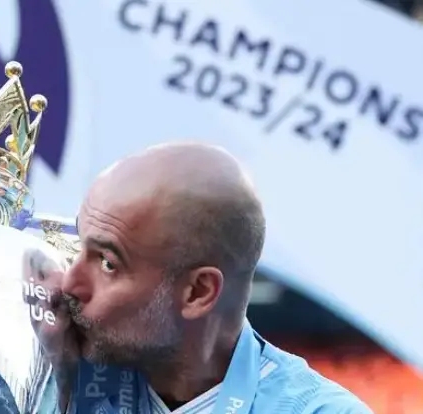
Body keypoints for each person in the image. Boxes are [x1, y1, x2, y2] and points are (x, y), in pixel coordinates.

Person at [24, 141, 372, 413]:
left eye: (107, 263)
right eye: (80, 244)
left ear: (198, 292)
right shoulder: (53, 370)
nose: (70, 282)